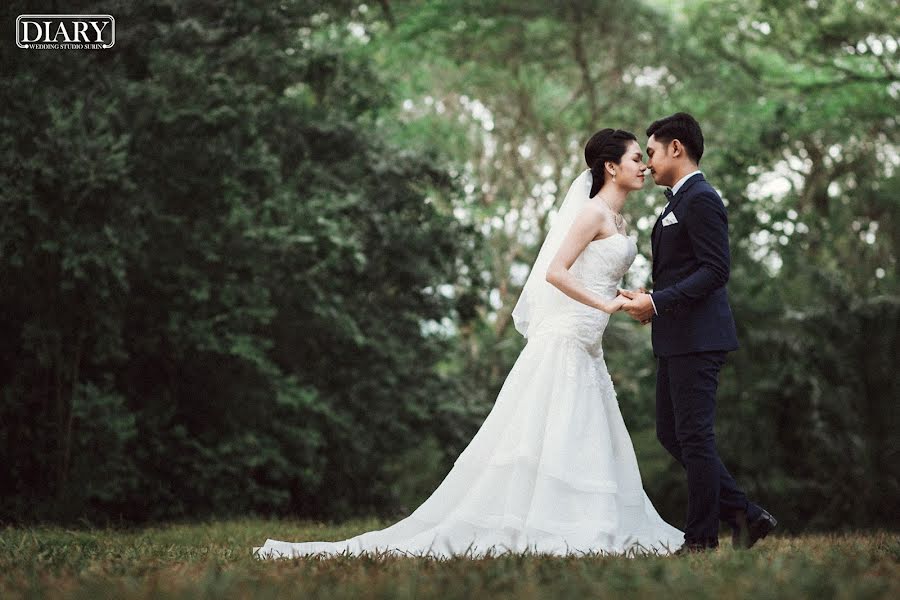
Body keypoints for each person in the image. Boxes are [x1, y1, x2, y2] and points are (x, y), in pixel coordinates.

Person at [253, 128, 683, 559]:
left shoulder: (619, 220)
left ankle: (592, 521)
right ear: (611, 167)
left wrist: (628, 296)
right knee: (551, 432)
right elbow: (555, 271)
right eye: (634, 158)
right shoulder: (591, 213)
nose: (643, 166)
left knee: (585, 434)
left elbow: (597, 271)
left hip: (590, 345)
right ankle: (549, 525)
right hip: (565, 339)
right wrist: (604, 303)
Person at [618, 113, 776, 553]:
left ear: (676, 148)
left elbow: (715, 270)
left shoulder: (702, 199)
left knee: (694, 437)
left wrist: (659, 302)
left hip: (699, 338)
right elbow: (684, 271)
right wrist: (652, 298)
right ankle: (747, 515)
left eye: (650, 152)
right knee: (673, 434)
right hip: (675, 337)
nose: (646, 163)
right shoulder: (674, 203)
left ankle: (702, 538)